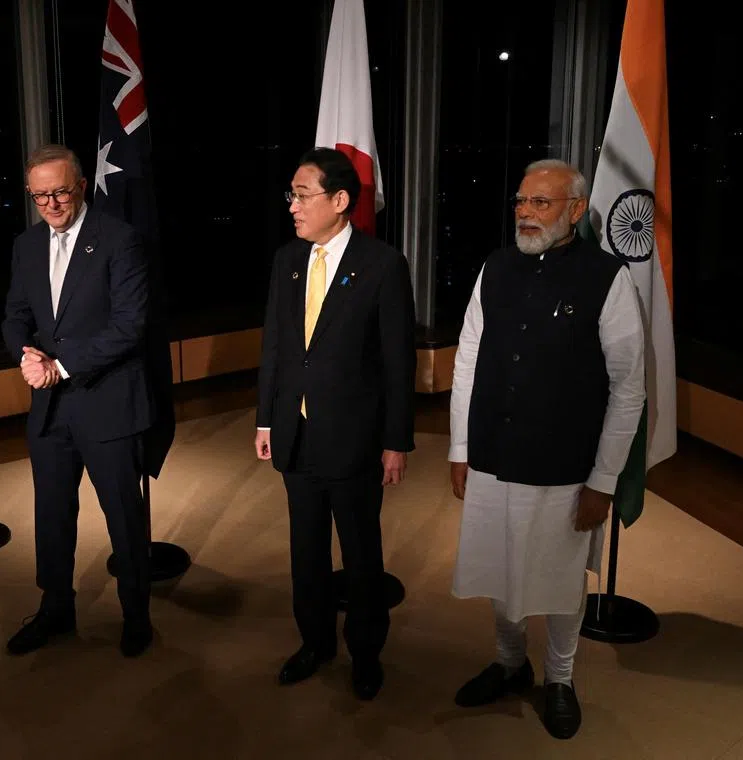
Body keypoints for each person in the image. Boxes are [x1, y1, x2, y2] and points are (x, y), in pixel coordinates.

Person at [448, 159, 646, 739]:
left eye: (541, 203)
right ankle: (511, 663)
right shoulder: (495, 266)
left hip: (565, 464)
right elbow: (467, 359)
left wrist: (604, 480)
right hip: (493, 452)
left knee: (559, 578)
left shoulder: (607, 277)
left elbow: (628, 387)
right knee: (497, 563)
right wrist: (460, 447)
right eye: (521, 201)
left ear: (576, 210)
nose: (526, 213)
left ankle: (559, 678)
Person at [255, 147, 417, 700]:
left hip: (355, 440)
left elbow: (397, 362)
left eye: (303, 195)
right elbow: (276, 348)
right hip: (295, 434)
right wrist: (265, 420)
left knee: (361, 555)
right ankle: (315, 643)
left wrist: (396, 441)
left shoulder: (382, 265)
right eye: (292, 195)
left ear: (341, 200)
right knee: (306, 553)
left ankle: (366, 654)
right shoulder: (287, 260)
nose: (293, 206)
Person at [2, 144, 155, 658]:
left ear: (82, 186)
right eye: (39, 195)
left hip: (107, 401)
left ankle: (136, 616)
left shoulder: (119, 240)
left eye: (60, 192)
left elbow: (130, 325)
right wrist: (25, 355)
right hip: (50, 409)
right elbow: (15, 315)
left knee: (123, 516)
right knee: (51, 513)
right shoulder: (26, 245)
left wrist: (60, 366)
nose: (50, 204)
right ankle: (55, 609)